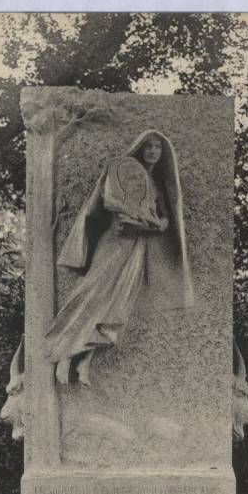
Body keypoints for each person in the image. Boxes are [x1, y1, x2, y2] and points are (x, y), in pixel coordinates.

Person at [44, 130, 194, 386]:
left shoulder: (155, 184)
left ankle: (84, 364)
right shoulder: (121, 170)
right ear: (139, 148)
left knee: (116, 308)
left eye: (158, 147)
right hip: (114, 243)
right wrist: (142, 216)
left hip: (137, 249)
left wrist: (157, 224)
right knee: (91, 295)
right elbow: (110, 201)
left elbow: (166, 218)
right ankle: (63, 356)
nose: (153, 152)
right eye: (149, 146)